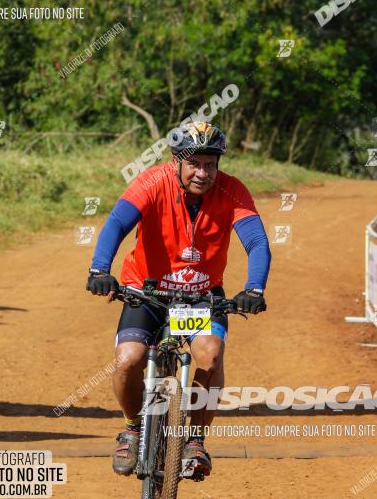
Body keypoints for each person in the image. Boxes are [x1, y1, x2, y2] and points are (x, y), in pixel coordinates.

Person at [86, 119, 271, 479]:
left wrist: (254, 288)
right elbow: (116, 223)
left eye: (211, 164)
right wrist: (99, 270)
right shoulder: (153, 182)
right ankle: (132, 428)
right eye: (194, 164)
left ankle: (195, 439)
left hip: (201, 297)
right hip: (147, 293)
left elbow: (257, 242)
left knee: (210, 356)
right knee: (128, 360)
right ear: (176, 161)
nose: (203, 173)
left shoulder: (233, 191)